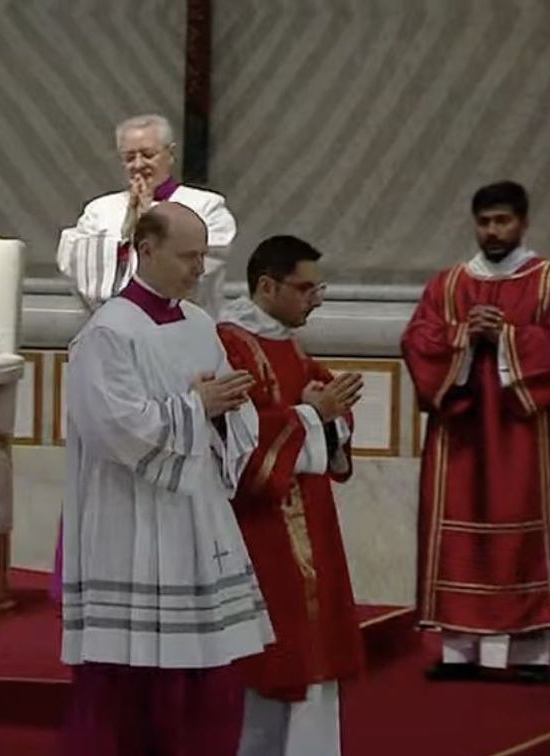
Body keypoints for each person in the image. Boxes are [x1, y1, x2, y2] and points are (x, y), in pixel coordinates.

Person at [61, 202, 272, 756]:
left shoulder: (200, 323)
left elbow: (230, 407)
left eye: (203, 255)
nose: (198, 268)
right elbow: (113, 428)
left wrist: (226, 410)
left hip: (195, 514)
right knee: (135, 683)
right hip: (132, 521)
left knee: (205, 671)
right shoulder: (108, 332)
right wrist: (194, 406)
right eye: (188, 256)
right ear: (146, 250)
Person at [218, 236, 365, 756]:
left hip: (310, 515)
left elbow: (327, 407)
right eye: (306, 288)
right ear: (266, 285)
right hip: (263, 526)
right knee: (278, 656)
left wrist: (326, 418)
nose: (316, 299)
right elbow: (238, 437)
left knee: (315, 650)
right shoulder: (233, 343)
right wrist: (311, 416)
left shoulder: (288, 341)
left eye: (317, 287)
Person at [402, 180, 550, 682]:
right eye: (484, 221)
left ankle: (533, 654)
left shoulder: (546, 280)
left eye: (502, 221)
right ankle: (459, 650)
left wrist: (508, 337)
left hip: (526, 436)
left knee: (526, 535)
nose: (492, 231)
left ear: (523, 222)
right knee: (456, 532)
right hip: (461, 433)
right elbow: (418, 339)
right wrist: (462, 335)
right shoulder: (447, 285)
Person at [58, 113, 237, 315]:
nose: (138, 164)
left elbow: (200, 272)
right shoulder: (98, 210)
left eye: (148, 154)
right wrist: (128, 228)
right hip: (115, 326)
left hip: (183, 326)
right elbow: (83, 270)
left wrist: (146, 222)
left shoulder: (207, 206)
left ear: (170, 154)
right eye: (129, 157)